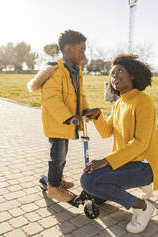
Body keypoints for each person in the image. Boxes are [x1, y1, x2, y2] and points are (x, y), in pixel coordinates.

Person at [80, 54, 158, 233]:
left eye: (120, 71)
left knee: (88, 181)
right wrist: (98, 116)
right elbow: (106, 132)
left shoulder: (143, 101)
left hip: (143, 166)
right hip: (124, 163)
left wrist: (106, 161)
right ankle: (136, 188)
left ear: (132, 74)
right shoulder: (119, 104)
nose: (114, 76)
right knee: (94, 184)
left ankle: (142, 207)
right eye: (112, 74)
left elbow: (140, 144)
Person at [31, 30, 91, 202]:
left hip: (65, 123)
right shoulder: (56, 70)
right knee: (57, 156)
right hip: (58, 121)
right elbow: (52, 99)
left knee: (62, 155)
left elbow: (80, 95)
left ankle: (57, 179)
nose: (83, 55)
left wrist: (86, 110)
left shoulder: (75, 70)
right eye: (81, 50)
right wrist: (68, 117)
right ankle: (54, 188)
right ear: (69, 49)